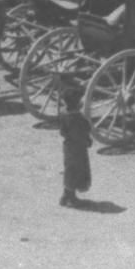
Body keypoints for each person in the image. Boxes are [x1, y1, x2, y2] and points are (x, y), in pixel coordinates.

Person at [54, 75, 95, 206]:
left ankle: (66, 195)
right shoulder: (79, 119)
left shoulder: (63, 113)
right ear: (78, 103)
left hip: (68, 146)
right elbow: (82, 133)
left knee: (69, 170)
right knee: (77, 171)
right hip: (78, 148)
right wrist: (88, 141)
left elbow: (62, 131)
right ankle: (72, 199)